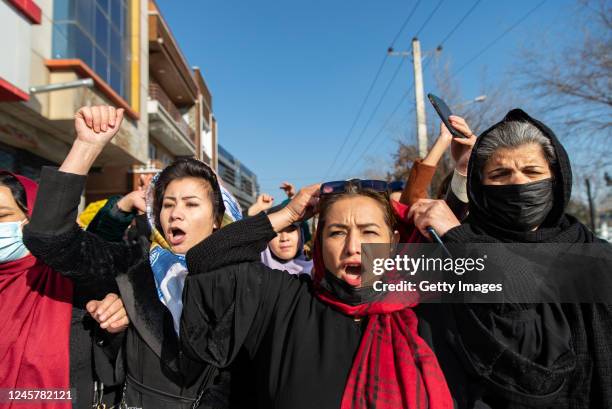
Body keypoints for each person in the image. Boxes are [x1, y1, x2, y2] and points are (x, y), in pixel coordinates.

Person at [22, 105, 240, 409]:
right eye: (167, 204)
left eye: (191, 204)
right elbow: (50, 238)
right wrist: (86, 147)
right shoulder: (135, 267)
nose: (176, 213)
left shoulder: (246, 281)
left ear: (218, 218)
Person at [180, 179, 453, 408]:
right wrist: (287, 214)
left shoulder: (426, 304)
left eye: (369, 231)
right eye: (337, 233)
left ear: (392, 242)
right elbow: (205, 260)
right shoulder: (283, 299)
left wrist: (454, 232)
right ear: (319, 242)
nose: (353, 246)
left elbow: (494, 289)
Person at [408, 109, 612, 408]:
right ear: (481, 187)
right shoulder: (458, 251)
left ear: (556, 178)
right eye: (500, 174)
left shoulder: (596, 256)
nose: (518, 183)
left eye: (532, 172)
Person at [0, 171, 128, 409]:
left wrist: (118, 324)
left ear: (34, 220)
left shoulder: (75, 280)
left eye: (2, 215)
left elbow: (121, 361)